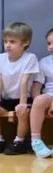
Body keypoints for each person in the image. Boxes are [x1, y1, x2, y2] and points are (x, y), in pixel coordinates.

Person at [0, 22, 40, 155]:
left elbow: (24, 81)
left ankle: (19, 141)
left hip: (23, 98)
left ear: (25, 43)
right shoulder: (0, 58)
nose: (8, 45)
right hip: (6, 99)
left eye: (12, 42)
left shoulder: (30, 58)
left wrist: (22, 103)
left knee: (22, 112)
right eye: (6, 41)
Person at [29, 27, 53, 157]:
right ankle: (36, 141)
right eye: (49, 43)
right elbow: (37, 85)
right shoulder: (44, 62)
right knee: (39, 100)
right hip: (49, 95)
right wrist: (37, 103)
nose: (51, 47)